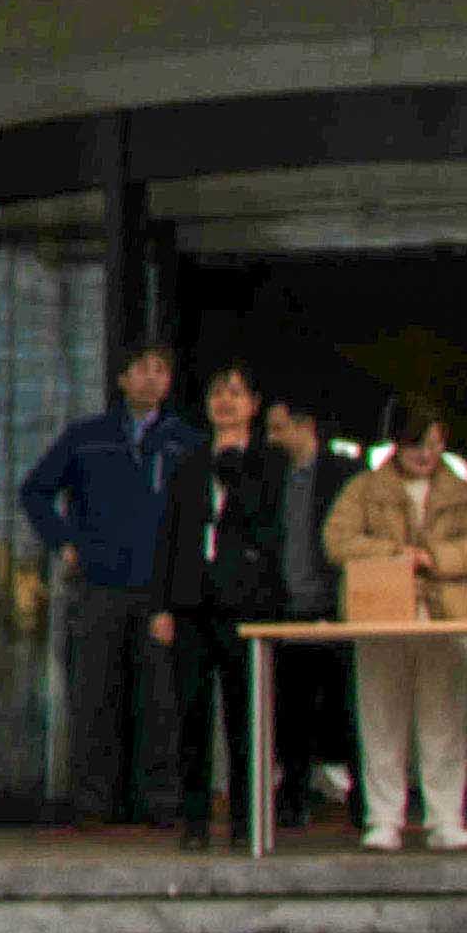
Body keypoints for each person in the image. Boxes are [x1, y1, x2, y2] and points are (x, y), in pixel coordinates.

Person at [18, 341, 185, 830]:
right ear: (122, 379)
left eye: (160, 370)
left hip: (157, 588)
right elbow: (35, 491)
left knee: (158, 700)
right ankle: (94, 801)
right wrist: (65, 542)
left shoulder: (181, 441)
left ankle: (159, 801)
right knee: (94, 696)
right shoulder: (88, 436)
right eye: (141, 369)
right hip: (98, 585)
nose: (151, 379)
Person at [327, 397, 467, 856]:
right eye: (416, 442)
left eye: (434, 442)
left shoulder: (460, 492)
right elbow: (337, 540)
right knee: (381, 717)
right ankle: (383, 819)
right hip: (382, 614)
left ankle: (446, 818)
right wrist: (393, 555)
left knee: (444, 720)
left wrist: (434, 559)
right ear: (397, 443)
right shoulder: (365, 488)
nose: (425, 453)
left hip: (444, 616)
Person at [155, 363, 292, 851]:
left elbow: (269, 525)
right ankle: (193, 821)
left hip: (244, 603)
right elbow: (170, 535)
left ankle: (244, 819)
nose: (226, 402)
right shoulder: (188, 463)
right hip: (192, 600)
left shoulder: (271, 461)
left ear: (254, 404)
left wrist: (234, 468)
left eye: (236, 393)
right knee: (191, 714)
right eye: (217, 392)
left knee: (244, 716)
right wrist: (163, 605)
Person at [262, 395, 355, 824]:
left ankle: (360, 798)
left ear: (305, 426)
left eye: (280, 428)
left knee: (347, 705)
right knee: (291, 710)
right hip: (289, 608)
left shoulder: (342, 473)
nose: (273, 439)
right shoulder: (271, 478)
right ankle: (293, 796)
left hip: (335, 609)